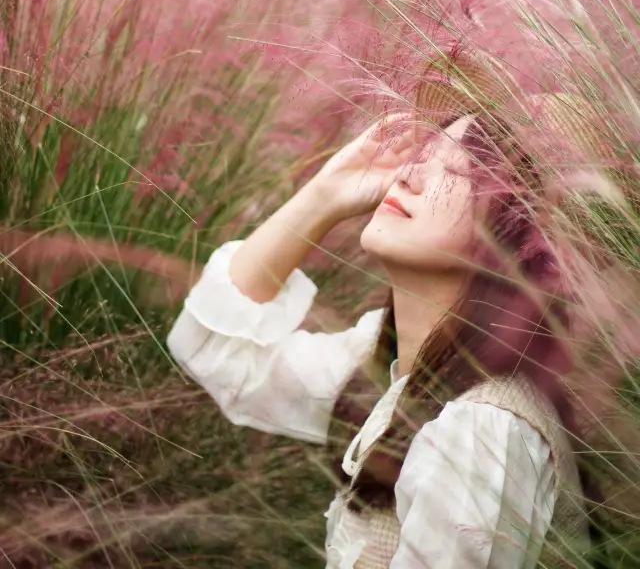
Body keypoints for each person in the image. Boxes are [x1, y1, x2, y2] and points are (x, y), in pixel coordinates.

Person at [168, 78, 596, 569]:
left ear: (514, 235)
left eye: (454, 171)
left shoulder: (482, 429)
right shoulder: (390, 364)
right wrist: (326, 193)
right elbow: (215, 354)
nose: (409, 176)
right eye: (424, 156)